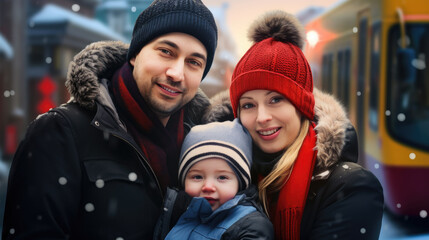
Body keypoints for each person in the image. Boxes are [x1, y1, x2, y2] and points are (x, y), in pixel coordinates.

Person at [2, 0, 217, 239]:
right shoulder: (60, 132)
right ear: (135, 54)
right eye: (166, 51)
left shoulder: (203, 149)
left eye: (194, 62)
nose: (177, 73)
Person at [205, 11, 384, 240]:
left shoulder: (350, 187)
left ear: (302, 108)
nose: (262, 117)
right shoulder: (222, 174)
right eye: (248, 105)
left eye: (276, 100)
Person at [154, 119, 274, 240]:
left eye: (222, 177)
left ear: (240, 183)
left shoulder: (250, 226)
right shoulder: (177, 213)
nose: (208, 186)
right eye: (197, 177)